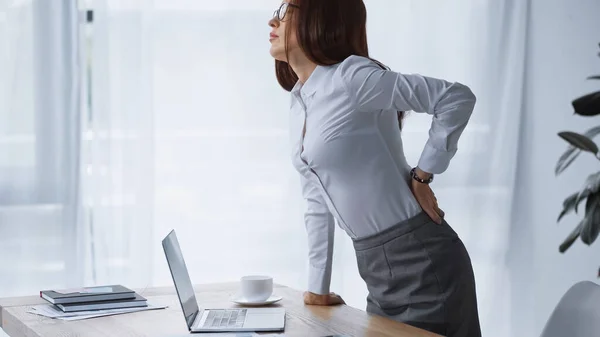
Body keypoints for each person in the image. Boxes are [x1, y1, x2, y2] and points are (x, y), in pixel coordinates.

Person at [267, 1, 482, 336]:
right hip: (376, 271)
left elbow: (455, 98)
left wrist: (423, 174)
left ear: (318, 17)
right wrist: (317, 288)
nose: (273, 20)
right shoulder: (301, 101)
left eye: (285, 11)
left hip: (423, 263)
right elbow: (317, 202)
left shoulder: (353, 77)